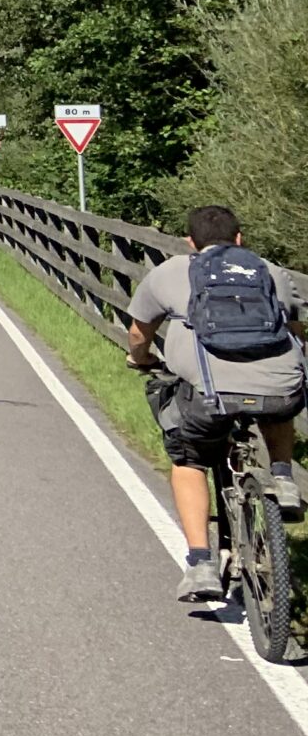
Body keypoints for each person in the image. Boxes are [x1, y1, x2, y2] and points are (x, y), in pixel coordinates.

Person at [126, 204, 308, 603]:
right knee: (277, 404)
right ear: (240, 238)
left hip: (208, 395)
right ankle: (282, 478)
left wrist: (140, 360)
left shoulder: (172, 272)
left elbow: (139, 333)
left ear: (190, 243)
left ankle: (200, 563)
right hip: (280, 385)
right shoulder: (271, 272)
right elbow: (296, 331)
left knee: (189, 459)